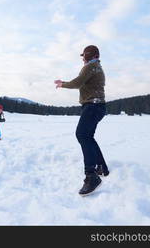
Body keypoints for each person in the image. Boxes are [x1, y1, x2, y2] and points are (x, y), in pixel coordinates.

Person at [54, 45, 109, 196]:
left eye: (84, 55)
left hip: (92, 106)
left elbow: (78, 82)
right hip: (97, 106)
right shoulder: (96, 67)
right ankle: (101, 167)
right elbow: (81, 82)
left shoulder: (90, 66)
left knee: (82, 135)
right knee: (88, 137)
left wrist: (62, 84)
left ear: (90, 55)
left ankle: (91, 176)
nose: (82, 58)